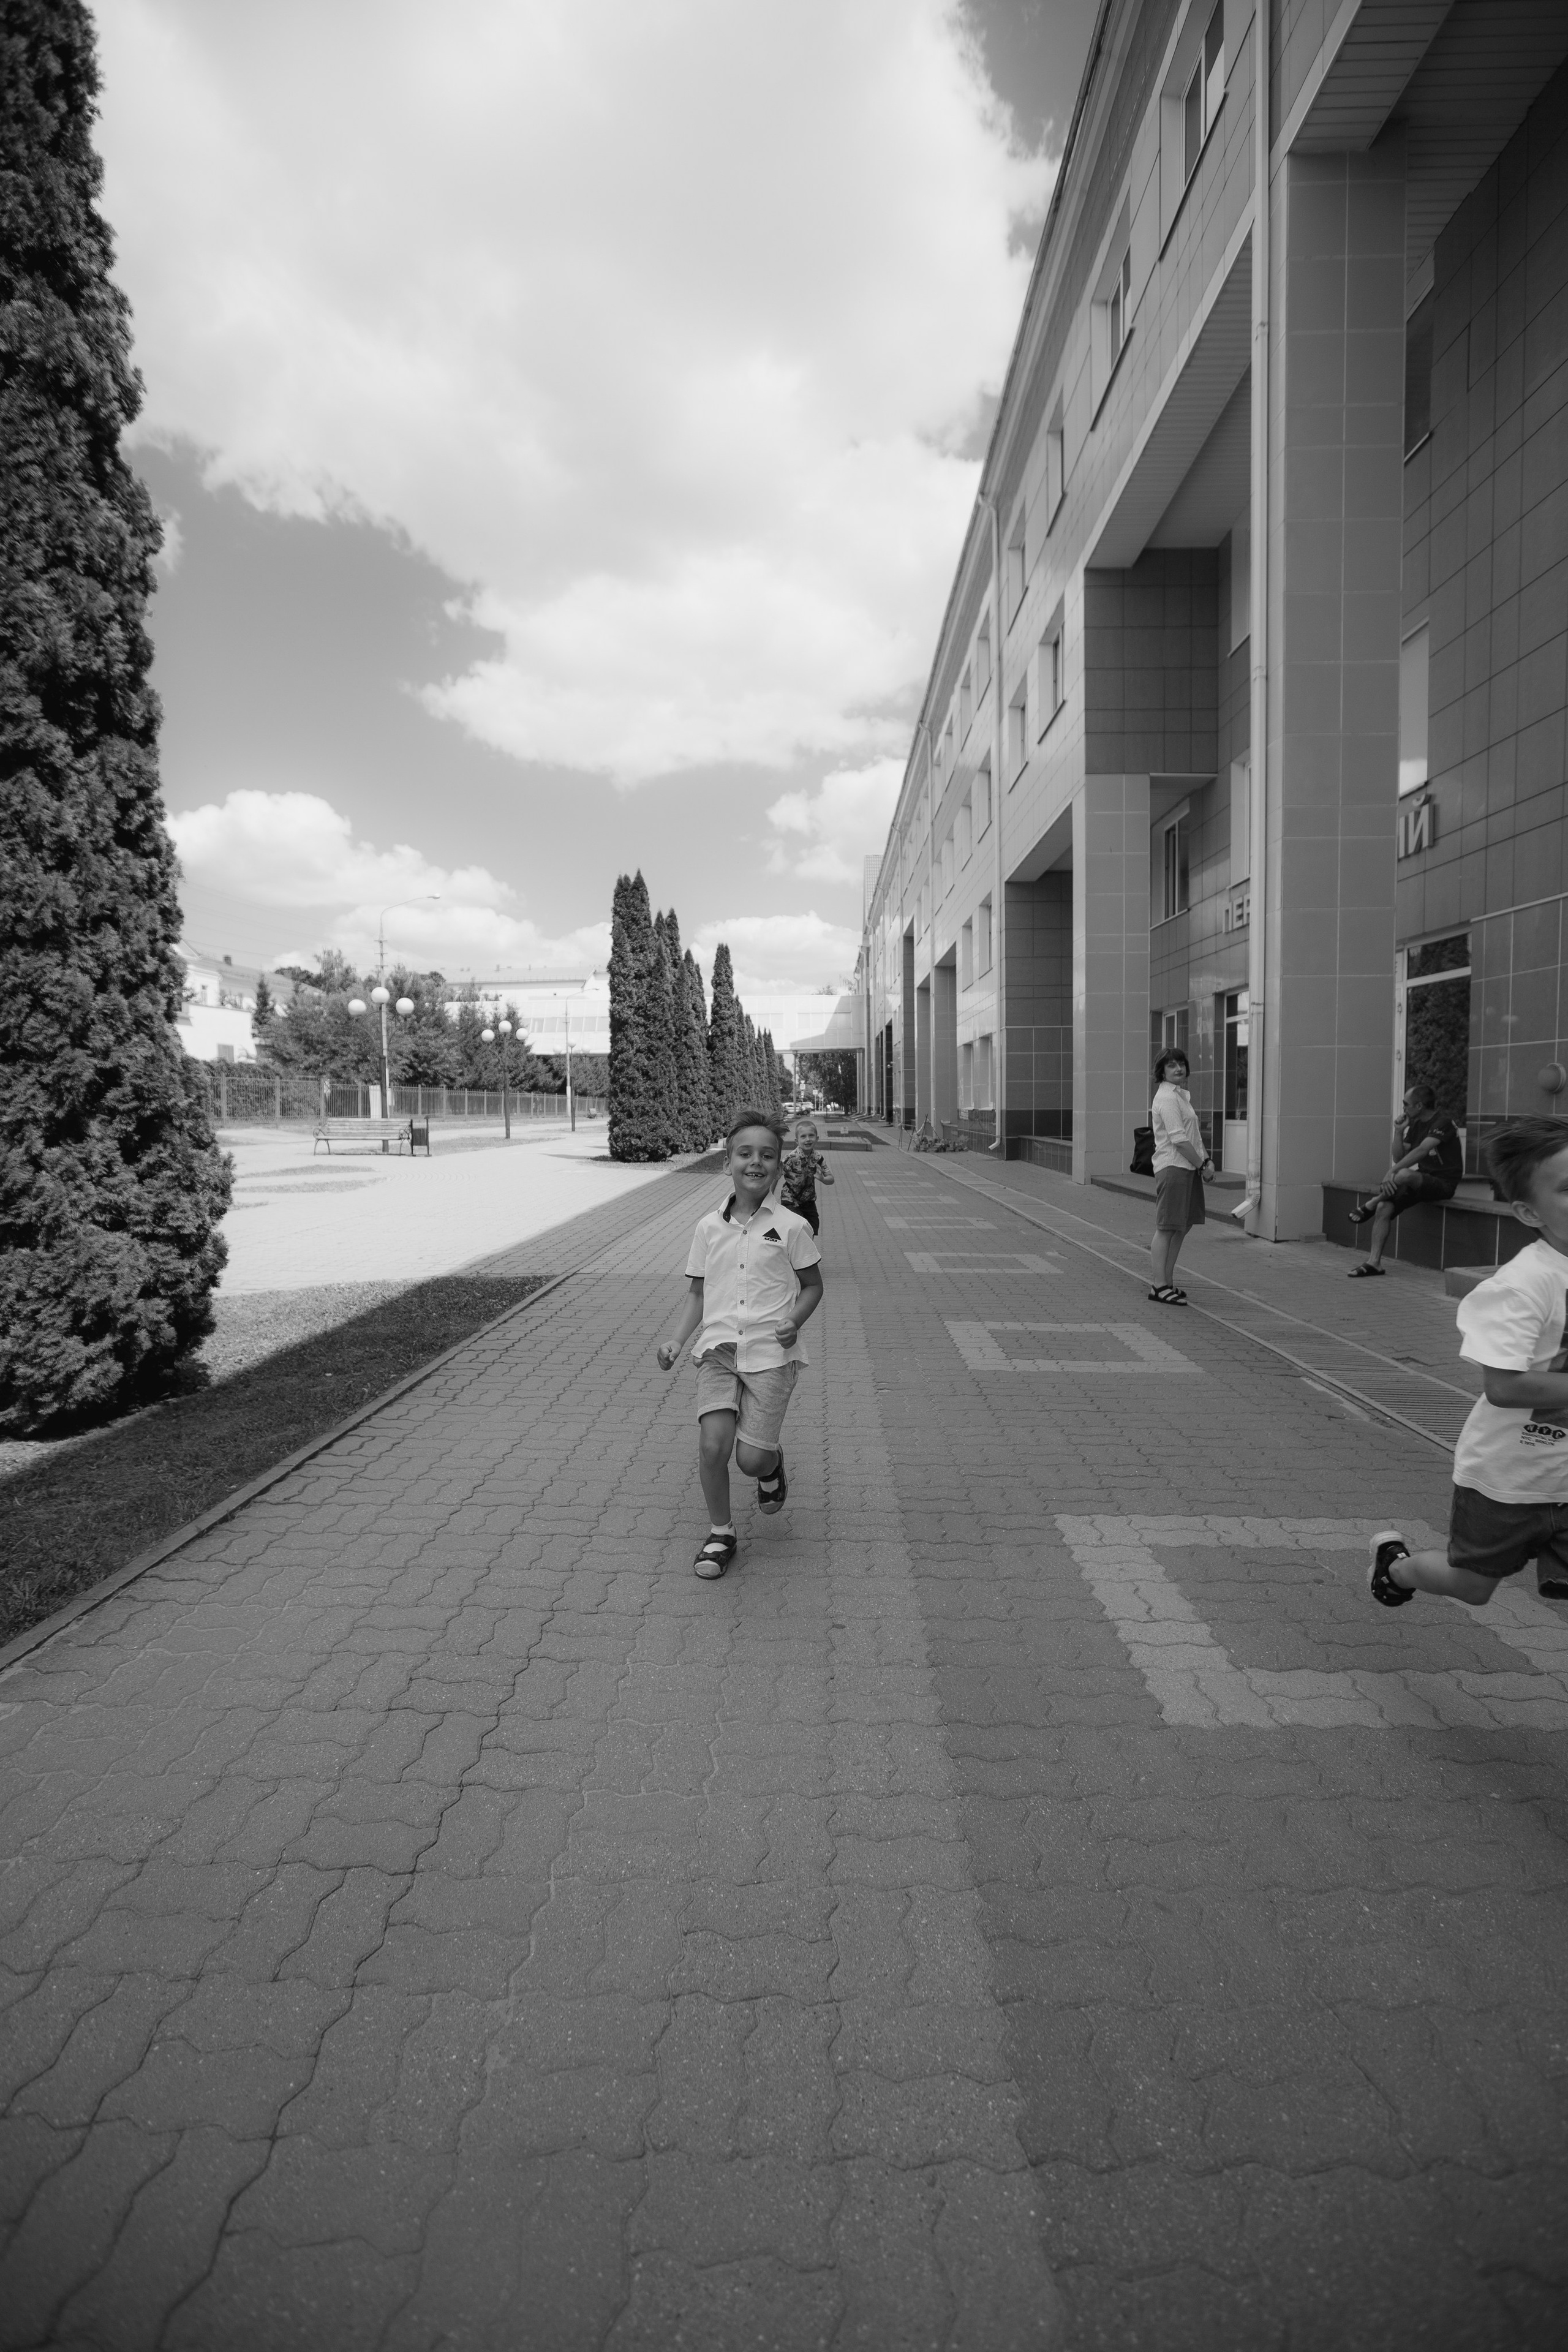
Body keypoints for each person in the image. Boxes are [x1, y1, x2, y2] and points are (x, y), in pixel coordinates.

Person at [1369, 1116, 1568, 1612]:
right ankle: (1396, 1566)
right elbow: (1503, 1387)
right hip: (1508, 1477)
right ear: (1528, 1211)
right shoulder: (1524, 1284)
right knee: (1472, 1586)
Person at [656, 1106, 824, 1580]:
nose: (756, 1162)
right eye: (745, 1153)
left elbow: (813, 1285)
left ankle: (771, 1469)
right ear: (727, 1161)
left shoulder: (792, 1227)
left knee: (750, 1459)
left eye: (767, 1155)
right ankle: (721, 1533)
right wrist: (675, 1340)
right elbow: (697, 1293)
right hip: (719, 1351)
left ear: (779, 1165)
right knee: (713, 1447)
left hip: (772, 1355)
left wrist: (795, 1319)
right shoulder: (708, 1228)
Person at [1346, 1081, 1462, 1277]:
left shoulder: (1443, 1122)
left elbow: (1422, 1150)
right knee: (1386, 1207)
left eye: (1406, 1104)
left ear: (1419, 1106)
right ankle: (1374, 1263)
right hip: (1421, 1181)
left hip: (1443, 1184)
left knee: (1403, 1174)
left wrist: (1391, 1173)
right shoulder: (1416, 1124)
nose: (1403, 1108)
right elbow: (1399, 1157)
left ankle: (1372, 1203)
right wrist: (1398, 1131)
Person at [1148, 1048, 1214, 1305]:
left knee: (1181, 1227)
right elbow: (1178, 1139)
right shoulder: (1167, 1097)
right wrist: (1202, 1165)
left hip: (1187, 1168)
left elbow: (1193, 1136)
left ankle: (1168, 1281)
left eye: (1181, 1064)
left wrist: (1206, 1161)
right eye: (1171, 1066)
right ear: (1162, 1071)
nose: (1178, 1069)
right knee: (1166, 1228)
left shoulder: (1181, 1097)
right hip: (1174, 1167)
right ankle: (1158, 1285)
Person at [780, 1117, 834, 1237]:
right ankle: (793, 1255)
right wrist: (769, 1195)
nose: (808, 1139)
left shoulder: (818, 1157)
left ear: (817, 1139)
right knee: (799, 1229)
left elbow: (831, 1179)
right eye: (803, 1136)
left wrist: (822, 1179)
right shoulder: (791, 1158)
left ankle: (809, 1254)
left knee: (812, 1228)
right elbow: (775, 1174)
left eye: (811, 1136)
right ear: (797, 1140)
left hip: (809, 1201)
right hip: (790, 1200)